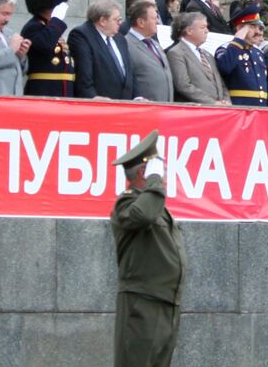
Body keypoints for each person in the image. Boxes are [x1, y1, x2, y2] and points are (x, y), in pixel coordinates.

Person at [109, 131, 184, 367]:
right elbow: (142, 215)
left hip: (165, 303)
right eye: (158, 170)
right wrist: (154, 183)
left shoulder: (153, 204)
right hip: (143, 306)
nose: (163, 176)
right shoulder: (127, 204)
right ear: (144, 172)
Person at [70, 0, 137, 100]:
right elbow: (83, 74)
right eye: (116, 20)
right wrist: (92, 97)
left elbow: (129, 73)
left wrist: (137, 97)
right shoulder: (82, 36)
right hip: (99, 106)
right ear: (102, 21)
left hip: (124, 105)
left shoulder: (120, 38)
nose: (120, 23)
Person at [164, 13, 229, 106]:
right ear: (189, 30)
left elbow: (221, 83)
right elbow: (183, 85)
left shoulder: (208, 55)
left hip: (219, 110)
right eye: (203, 27)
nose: (207, 31)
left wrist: (227, 101)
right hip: (196, 111)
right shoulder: (176, 53)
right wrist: (212, 103)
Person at [214, 2, 268, 107]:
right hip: (240, 108)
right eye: (253, 27)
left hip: (260, 109)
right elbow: (225, 67)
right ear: (240, 29)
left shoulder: (258, 53)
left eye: (260, 28)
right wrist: (238, 40)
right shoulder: (227, 49)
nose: (259, 32)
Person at [124, 0, 173, 103]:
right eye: (154, 18)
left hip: (165, 108)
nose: (158, 22)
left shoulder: (155, 44)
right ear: (141, 22)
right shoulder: (125, 44)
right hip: (143, 110)